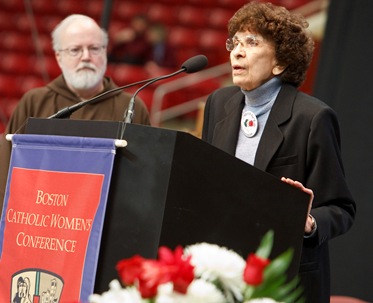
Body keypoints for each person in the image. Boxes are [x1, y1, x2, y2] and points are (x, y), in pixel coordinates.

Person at [201, 2, 355, 303]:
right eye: (236, 42)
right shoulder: (219, 103)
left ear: (280, 63)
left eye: (252, 43)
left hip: (284, 279)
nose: (237, 51)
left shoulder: (312, 118)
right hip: (224, 267)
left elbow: (341, 208)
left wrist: (310, 222)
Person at [0, 14, 150, 215]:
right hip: (40, 223)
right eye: (75, 50)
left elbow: (144, 180)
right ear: (59, 57)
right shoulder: (34, 101)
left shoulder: (132, 107)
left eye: (94, 48)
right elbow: (7, 168)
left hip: (107, 227)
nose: (86, 56)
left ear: (105, 53)